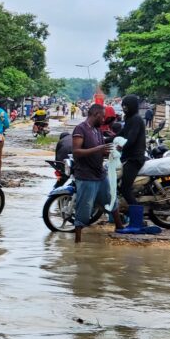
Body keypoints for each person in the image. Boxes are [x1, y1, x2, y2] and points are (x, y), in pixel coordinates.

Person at [71, 104, 114, 243]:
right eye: (102, 117)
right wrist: (98, 149)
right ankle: (78, 241)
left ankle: (120, 227)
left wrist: (105, 152)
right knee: (84, 208)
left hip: (99, 174)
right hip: (85, 175)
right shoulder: (80, 129)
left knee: (111, 200)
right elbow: (76, 151)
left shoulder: (97, 130)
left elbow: (100, 149)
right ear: (95, 114)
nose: (103, 120)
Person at [115, 95, 147, 229]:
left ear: (132, 106)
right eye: (123, 106)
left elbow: (131, 139)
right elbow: (121, 134)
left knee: (125, 188)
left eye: (126, 106)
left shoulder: (136, 120)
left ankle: (139, 220)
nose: (124, 108)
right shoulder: (129, 119)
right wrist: (104, 140)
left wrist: (121, 146)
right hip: (128, 157)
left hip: (134, 159)